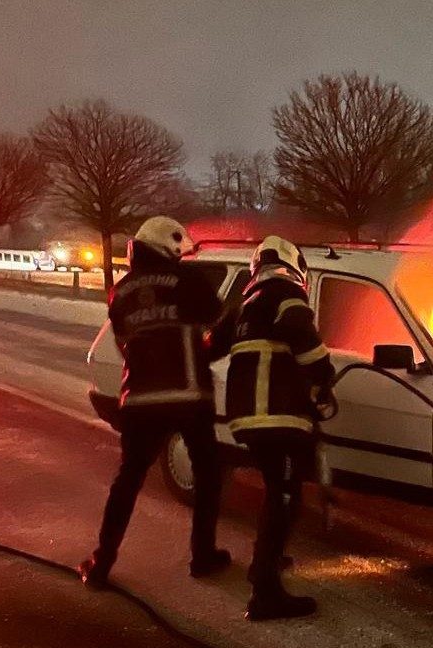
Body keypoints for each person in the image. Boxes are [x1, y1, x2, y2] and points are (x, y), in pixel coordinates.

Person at [79, 216, 231, 588]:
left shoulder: (120, 292)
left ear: (139, 248)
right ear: (172, 250)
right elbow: (222, 323)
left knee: (128, 479)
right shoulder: (190, 282)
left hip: (140, 401)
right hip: (188, 396)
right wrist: (206, 351)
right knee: (208, 475)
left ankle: (101, 564)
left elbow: (124, 341)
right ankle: (202, 556)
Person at [223, 236, 336, 620]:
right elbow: (301, 333)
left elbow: (211, 346)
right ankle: (265, 595)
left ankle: (263, 565)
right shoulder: (285, 292)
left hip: (249, 417)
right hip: (275, 417)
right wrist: (324, 374)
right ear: (295, 265)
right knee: (284, 499)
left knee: (278, 493)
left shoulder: (245, 303)